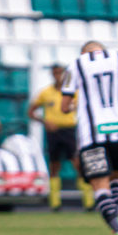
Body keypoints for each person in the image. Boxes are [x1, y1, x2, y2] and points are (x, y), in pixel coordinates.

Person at [60, 41, 118, 235]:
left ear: (84, 53)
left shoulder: (76, 65)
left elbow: (64, 107)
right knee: (116, 179)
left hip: (92, 134)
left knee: (100, 186)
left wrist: (77, 104)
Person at [28, 63, 94, 212]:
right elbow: (31, 112)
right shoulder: (45, 93)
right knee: (54, 166)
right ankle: (55, 203)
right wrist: (45, 122)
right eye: (55, 73)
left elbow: (84, 107)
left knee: (78, 164)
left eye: (60, 73)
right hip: (53, 132)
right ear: (52, 74)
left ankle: (88, 202)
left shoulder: (73, 92)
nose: (58, 76)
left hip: (69, 130)